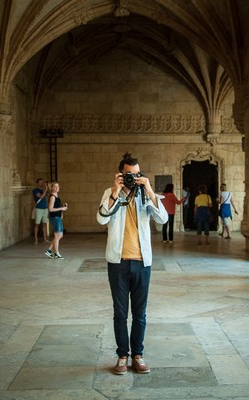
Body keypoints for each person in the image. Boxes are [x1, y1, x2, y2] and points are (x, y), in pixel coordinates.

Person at [96, 153, 168, 375]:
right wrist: (116, 192)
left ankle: (137, 355)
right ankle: (122, 356)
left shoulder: (145, 195)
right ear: (120, 174)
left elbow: (163, 219)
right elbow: (101, 218)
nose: (133, 178)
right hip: (118, 263)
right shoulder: (110, 193)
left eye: (136, 174)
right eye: (129, 174)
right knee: (120, 313)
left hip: (142, 263)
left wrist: (148, 190)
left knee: (140, 314)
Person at [45, 182, 68, 259]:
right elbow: (50, 209)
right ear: (52, 188)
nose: (57, 188)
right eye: (55, 186)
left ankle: (49, 250)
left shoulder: (57, 196)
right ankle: (56, 253)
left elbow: (56, 207)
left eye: (58, 186)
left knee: (60, 235)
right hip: (54, 218)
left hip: (58, 217)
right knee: (57, 236)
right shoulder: (52, 197)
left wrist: (62, 206)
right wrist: (62, 208)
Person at [32, 178, 49, 244]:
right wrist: (46, 189)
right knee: (37, 224)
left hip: (45, 208)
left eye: (42, 182)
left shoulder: (43, 190)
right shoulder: (35, 190)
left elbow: (48, 195)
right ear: (37, 183)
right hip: (39, 209)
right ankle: (36, 240)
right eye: (40, 182)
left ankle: (45, 239)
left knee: (45, 224)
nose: (41, 184)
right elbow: (41, 197)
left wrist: (47, 189)